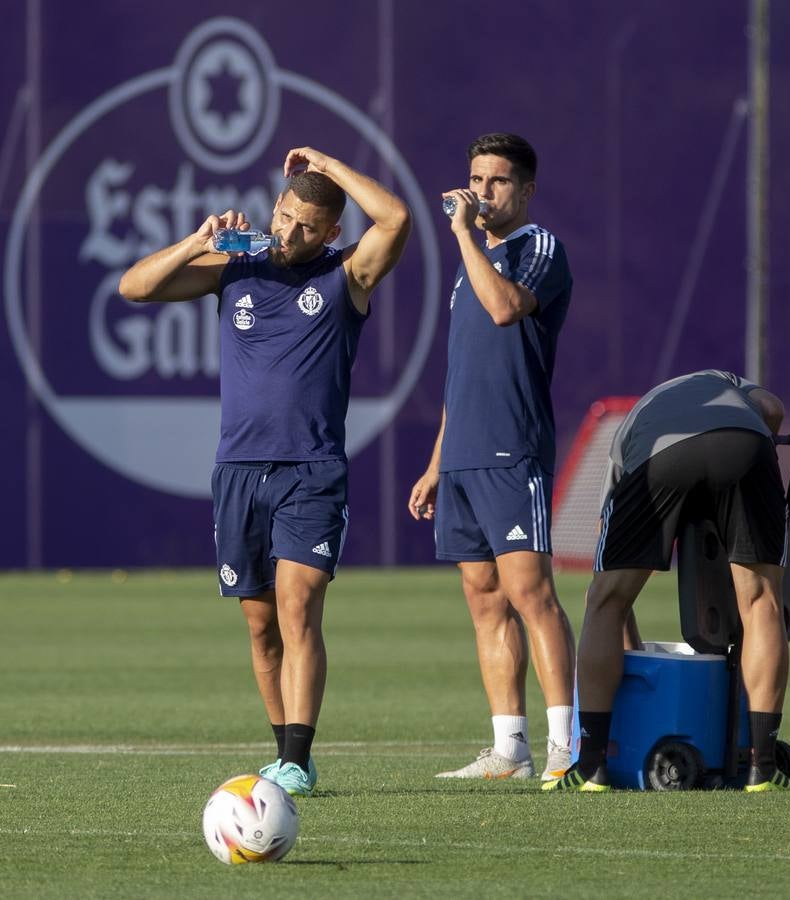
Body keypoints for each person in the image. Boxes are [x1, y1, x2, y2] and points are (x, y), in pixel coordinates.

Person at [118, 147, 412, 795]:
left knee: (298, 604)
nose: (290, 232)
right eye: (284, 217)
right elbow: (134, 287)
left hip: (310, 469)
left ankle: (299, 761)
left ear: (332, 231)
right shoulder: (237, 268)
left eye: (307, 225)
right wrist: (196, 241)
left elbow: (394, 220)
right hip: (238, 469)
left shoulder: (347, 275)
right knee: (259, 623)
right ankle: (284, 752)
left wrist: (331, 167)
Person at [407, 133, 576, 782]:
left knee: (529, 592)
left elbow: (506, 311)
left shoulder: (537, 249)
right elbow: (462, 375)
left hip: (512, 449)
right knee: (483, 597)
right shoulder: (471, 261)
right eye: (475, 178)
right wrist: (433, 463)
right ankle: (510, 747)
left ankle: (567, 745)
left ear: (525, 190)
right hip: (463, 457)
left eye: (497, 181)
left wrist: (461, 235)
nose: (481, 192)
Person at [545, 370, 790, 792]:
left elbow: (604, 561)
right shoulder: (727, 382)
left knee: (605, 600)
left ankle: (591, 766)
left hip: (660, 456)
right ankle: (763, 768)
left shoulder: (637, 418)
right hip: (745, 446)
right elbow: (772, 408)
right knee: (762, 605)